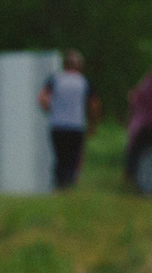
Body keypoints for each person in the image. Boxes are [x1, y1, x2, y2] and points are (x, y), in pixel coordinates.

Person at [39, 51, 93, 192]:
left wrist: (49, 109)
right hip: (76, 126)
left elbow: (42, 97)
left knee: (60, 158)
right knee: (73, 159)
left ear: (64, 65)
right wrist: (93, 123)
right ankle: (69, 186)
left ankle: (58, 185)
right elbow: (94, 104)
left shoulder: (55, 79)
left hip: (57, 125)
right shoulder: (83, 81)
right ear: (79, 66)